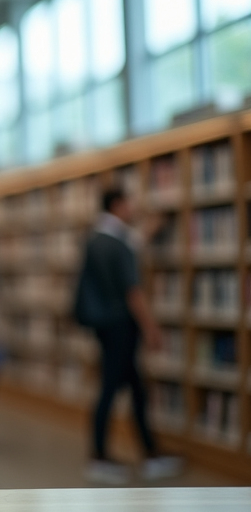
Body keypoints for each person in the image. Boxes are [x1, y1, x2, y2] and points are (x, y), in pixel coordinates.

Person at [74, 188, 183, 484]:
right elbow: (132, 291)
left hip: (104, 325)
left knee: (134, 387)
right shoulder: (116, 243)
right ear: (119, 205)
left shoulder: (97, 238)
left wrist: (149, 231)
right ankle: (101, 455)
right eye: (129, 202)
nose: (133, 207)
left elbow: (129, 246)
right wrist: (151, 327)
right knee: (112, 387)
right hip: (121, 324)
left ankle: (149, 451)